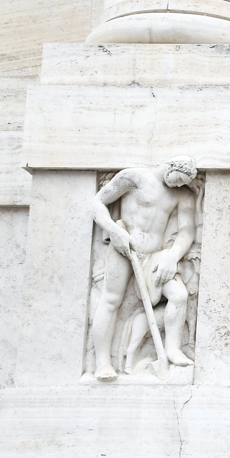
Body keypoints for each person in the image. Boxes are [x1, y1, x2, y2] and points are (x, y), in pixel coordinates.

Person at [90, 156, 198, 381]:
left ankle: (172, 349)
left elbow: (187, 230)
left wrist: (172, 256)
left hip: (156, 256)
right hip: (124, 248)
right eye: (179, 178)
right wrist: (114, 231)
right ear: (171, 167)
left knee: (179, 295)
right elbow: (98, 202)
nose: (179, 184)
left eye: (184, 182)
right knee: (111, 300)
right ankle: (102, 364)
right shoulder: (134, 177)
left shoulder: (183, 194)